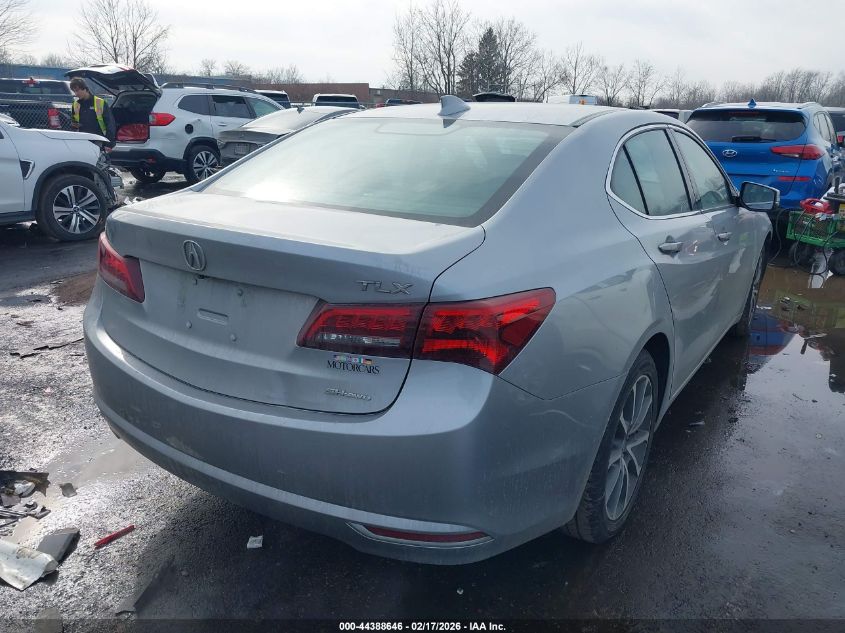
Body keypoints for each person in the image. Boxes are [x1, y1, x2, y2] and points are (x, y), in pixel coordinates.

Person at [69, 77, 116, 148]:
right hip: (82, 140)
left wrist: (109, 143)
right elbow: (74, 123)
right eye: (74, 91)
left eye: (77, 90)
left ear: (85, 89)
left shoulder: (100, 102)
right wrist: (74, 126)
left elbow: (110, 124)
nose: (76, 94)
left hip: (98, 139)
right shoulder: (75, 105)